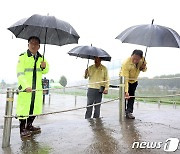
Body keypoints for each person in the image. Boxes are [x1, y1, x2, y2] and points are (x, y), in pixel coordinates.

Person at [16, 36, 49, 138]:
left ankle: (29, 125)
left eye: (36, 44)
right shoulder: (22, 57)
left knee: (35, 108)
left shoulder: (41, 57)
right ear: (28, 45)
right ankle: (22, 129)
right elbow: (20, 73)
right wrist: (26, 86)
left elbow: (45, 71)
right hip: (26, 88)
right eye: (32, 43)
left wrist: (44, 66)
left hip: (36, 88)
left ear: (39, 46)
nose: (33, 45)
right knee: (23, 108)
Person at [120, 49, 147, 119]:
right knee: (125, 96)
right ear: (131, 56)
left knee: (131, 96)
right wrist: (126, 91)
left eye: (137, 59)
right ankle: (123, 111)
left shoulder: (143, 60)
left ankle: (129, 112)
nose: (135, 61)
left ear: (141, 58)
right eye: (134, 58)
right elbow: (125, 78)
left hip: (134, 80)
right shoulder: (125, 63)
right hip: (124, 80)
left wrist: (143, 67)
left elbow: (144, 69)